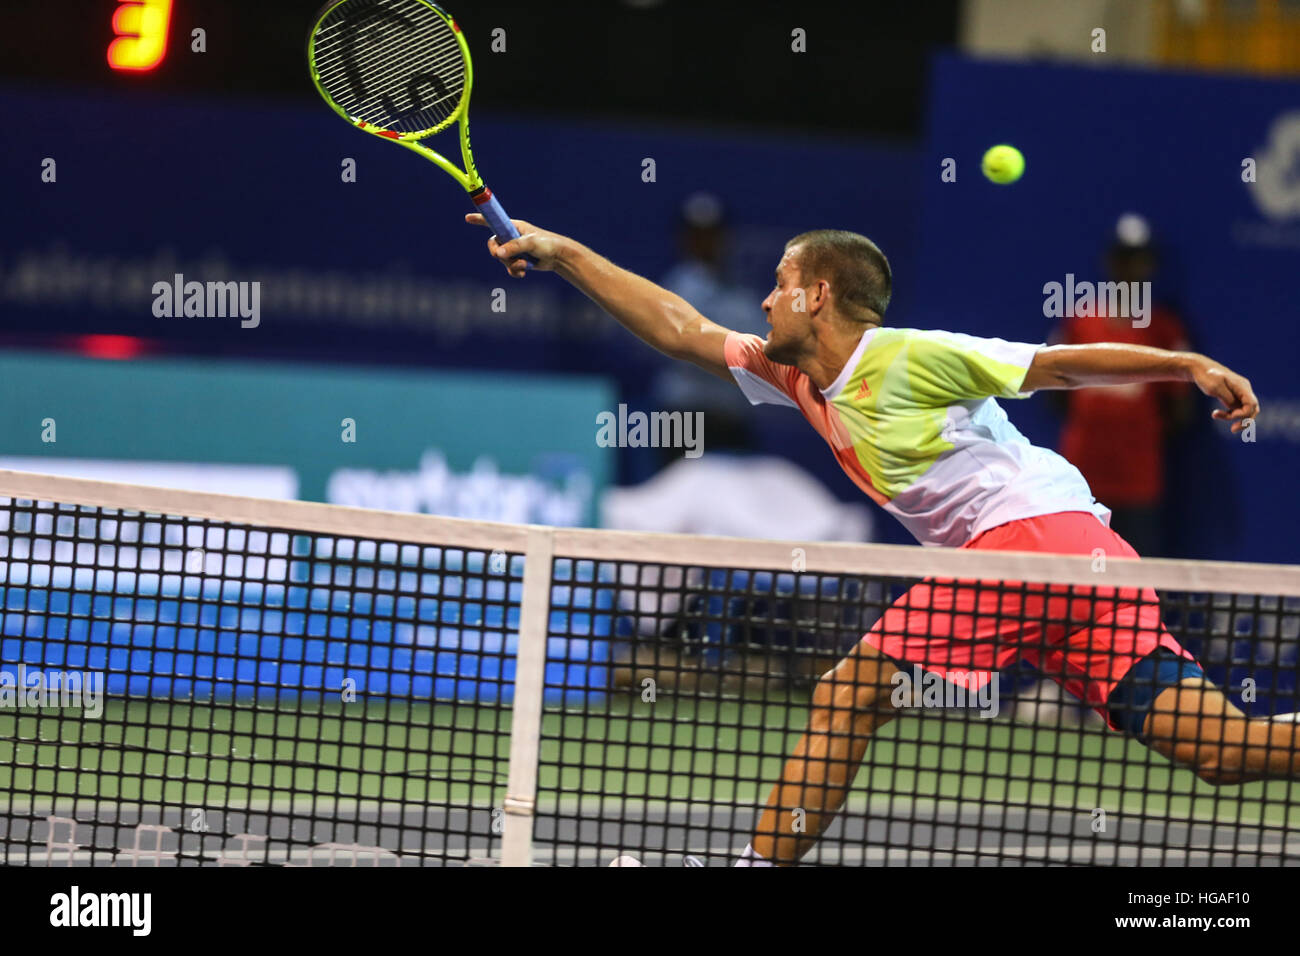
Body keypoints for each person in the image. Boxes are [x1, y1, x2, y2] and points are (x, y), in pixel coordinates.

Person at [466, 212, 1276, 869]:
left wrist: (1184, 363)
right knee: (1221, 747)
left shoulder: (912, 356)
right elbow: (680, 327)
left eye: (779, 285)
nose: (763, 302)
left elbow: (1054, 367)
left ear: (817, 295)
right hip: (1091, 565)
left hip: (1034, 540)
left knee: (849, 691)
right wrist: (566, 251)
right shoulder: (799, 376)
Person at [1050, 214, 1193, 557]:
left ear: (1150, 266)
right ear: (1110, 262)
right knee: (1070, 580)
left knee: (1133, 583)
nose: (1131, 268)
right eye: (1124, 258)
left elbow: (1181, 410)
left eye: (1139, 259)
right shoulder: (1080, 321)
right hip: (1080, 480)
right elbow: (1056, 395)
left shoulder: (1165, 329)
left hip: (1138, 485)